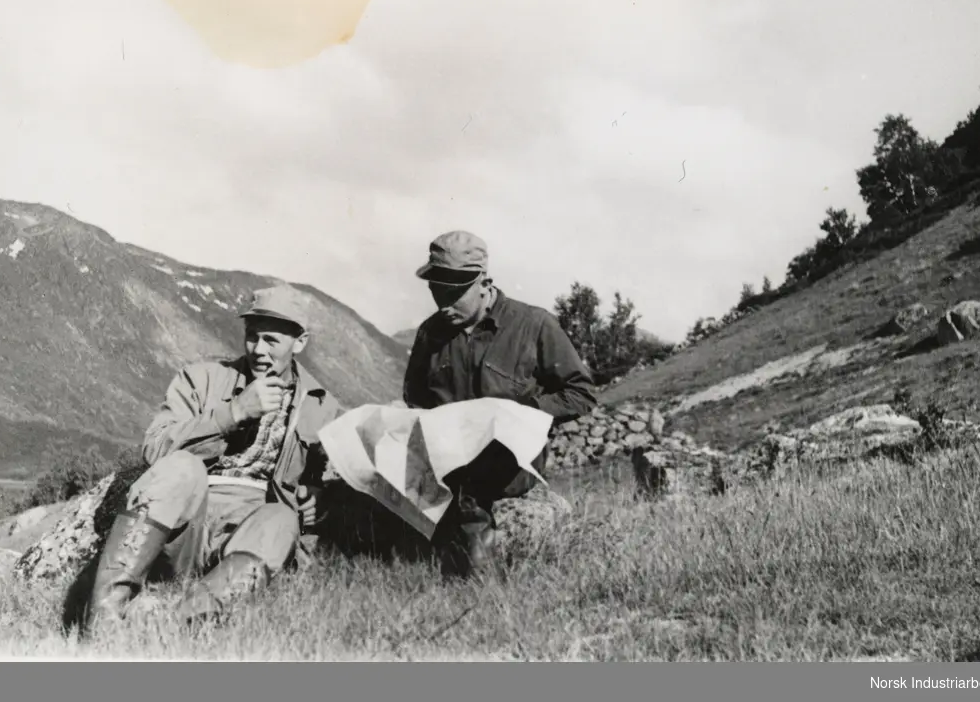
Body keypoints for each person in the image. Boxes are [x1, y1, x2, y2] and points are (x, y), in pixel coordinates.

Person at [69, 286, 342, 636]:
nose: (259, 350)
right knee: (183, 467)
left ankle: (179, 627)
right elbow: (155, 447)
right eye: (252, 337)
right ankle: (101, 626)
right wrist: (234, 413)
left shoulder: (322, 405)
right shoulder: (201, 378)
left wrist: (317, 495)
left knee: (282, 516)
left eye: (271, 341)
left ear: (300, 342)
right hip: (185, 526)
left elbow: (326, 479)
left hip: (251, 531)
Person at [402, 230, 596, 578]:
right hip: (449, 462)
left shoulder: (534, 325)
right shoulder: (429, 334)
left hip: (508, 466)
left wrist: (525, 410)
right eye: (436, 290)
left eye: (454, 292)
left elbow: (580, 393)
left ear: (483, 282)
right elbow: (415, 398)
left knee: (470, 500)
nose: (443, 304)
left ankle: (477, 579)